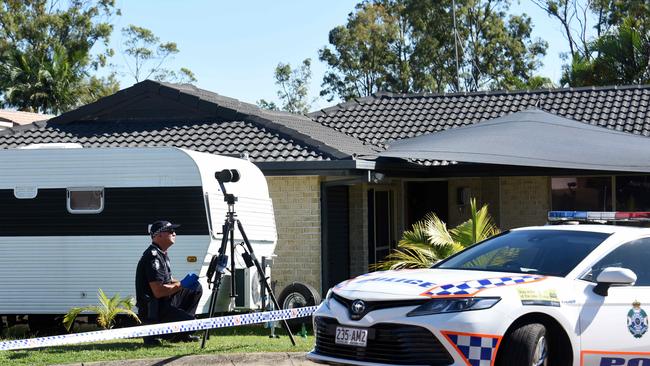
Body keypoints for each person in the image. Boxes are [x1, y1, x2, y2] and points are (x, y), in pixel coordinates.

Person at [135, 220, 203, 345]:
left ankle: (182, 333)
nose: (174, 233)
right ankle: (156, 334)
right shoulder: (152, 256)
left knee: (196, 288)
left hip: (164, 303)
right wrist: (181, 284)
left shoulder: (162, 254)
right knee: (192, 324)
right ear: (158, 235)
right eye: (170, 231)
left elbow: (169, 280)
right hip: (154, 309)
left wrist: (187, 282)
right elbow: (158, 291)